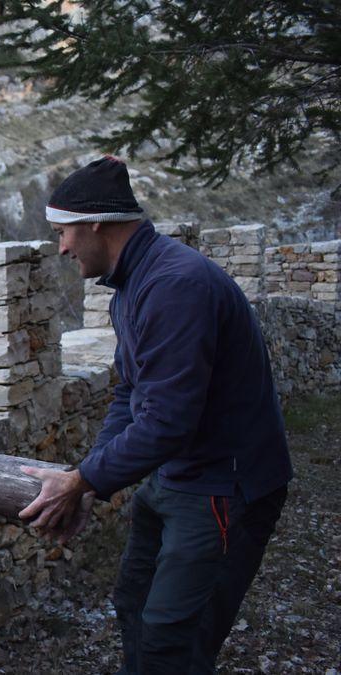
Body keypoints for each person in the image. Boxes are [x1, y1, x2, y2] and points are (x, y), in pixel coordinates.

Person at [17, 156, 293, 674]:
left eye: (63, 233)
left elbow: (168, 420)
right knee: (135, 603)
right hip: (174, 476)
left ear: (96, 221)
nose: (62, 248)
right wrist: (91, 478)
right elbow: (130, 394)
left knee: (174, 635)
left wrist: (79, 481)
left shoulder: (175, 285)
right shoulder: (131, 285)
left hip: (223, 487)